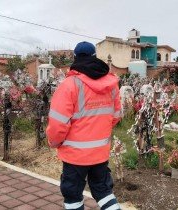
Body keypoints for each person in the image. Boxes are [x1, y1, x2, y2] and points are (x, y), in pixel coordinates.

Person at [46, 41, 122, 210]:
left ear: (75, 58)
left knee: (72, 195)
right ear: (95, 57)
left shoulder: (69, 85)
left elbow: (58, 124)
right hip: (100, 152)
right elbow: (116, 116)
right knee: (103, 191)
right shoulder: (111, 85)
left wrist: (54, 143)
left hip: (75, 156)